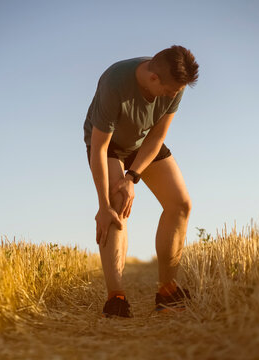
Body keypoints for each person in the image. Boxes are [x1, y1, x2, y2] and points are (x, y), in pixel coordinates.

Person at [83, 45, 199, 318]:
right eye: (170, 90)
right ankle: (117, 298)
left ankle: (167, 291)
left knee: (180, 204)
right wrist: (103, 206)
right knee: (116, 206)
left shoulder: (175, 86)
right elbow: (99, 148)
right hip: (108, 145)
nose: (174, 94)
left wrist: (132, 176)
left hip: (143, 142)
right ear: (153, 78)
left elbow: (157, 136)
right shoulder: (115, 83)